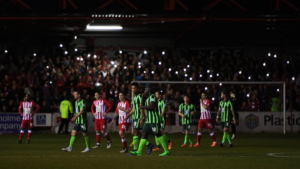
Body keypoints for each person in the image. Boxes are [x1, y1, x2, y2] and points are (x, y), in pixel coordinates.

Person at [128, 87, 170, 156]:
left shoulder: (153, 96)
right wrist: (143, 98)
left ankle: (167, 151)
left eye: (146, 90)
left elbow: (152, 106)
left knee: (158, 134)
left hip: (154, 120)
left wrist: (142, 107)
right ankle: (139, 151)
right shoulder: (147, 98)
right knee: (144, 134)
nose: (144, 91)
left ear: (149, 91)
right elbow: (142, 105)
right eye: (144, 90)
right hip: (148, 120)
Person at [124, 82, 149, 153]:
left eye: (135, 88)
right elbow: (134, 109)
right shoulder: (134, 97)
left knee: (136, 132)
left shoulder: (139, 96)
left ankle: (136, 150)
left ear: (137, 88)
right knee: (137, 133)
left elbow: (142, 108)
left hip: (139, 117)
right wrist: (128, 116)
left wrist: (142, 118)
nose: (133, 89)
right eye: (132, 88)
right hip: (136, 117)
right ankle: (148, 144)